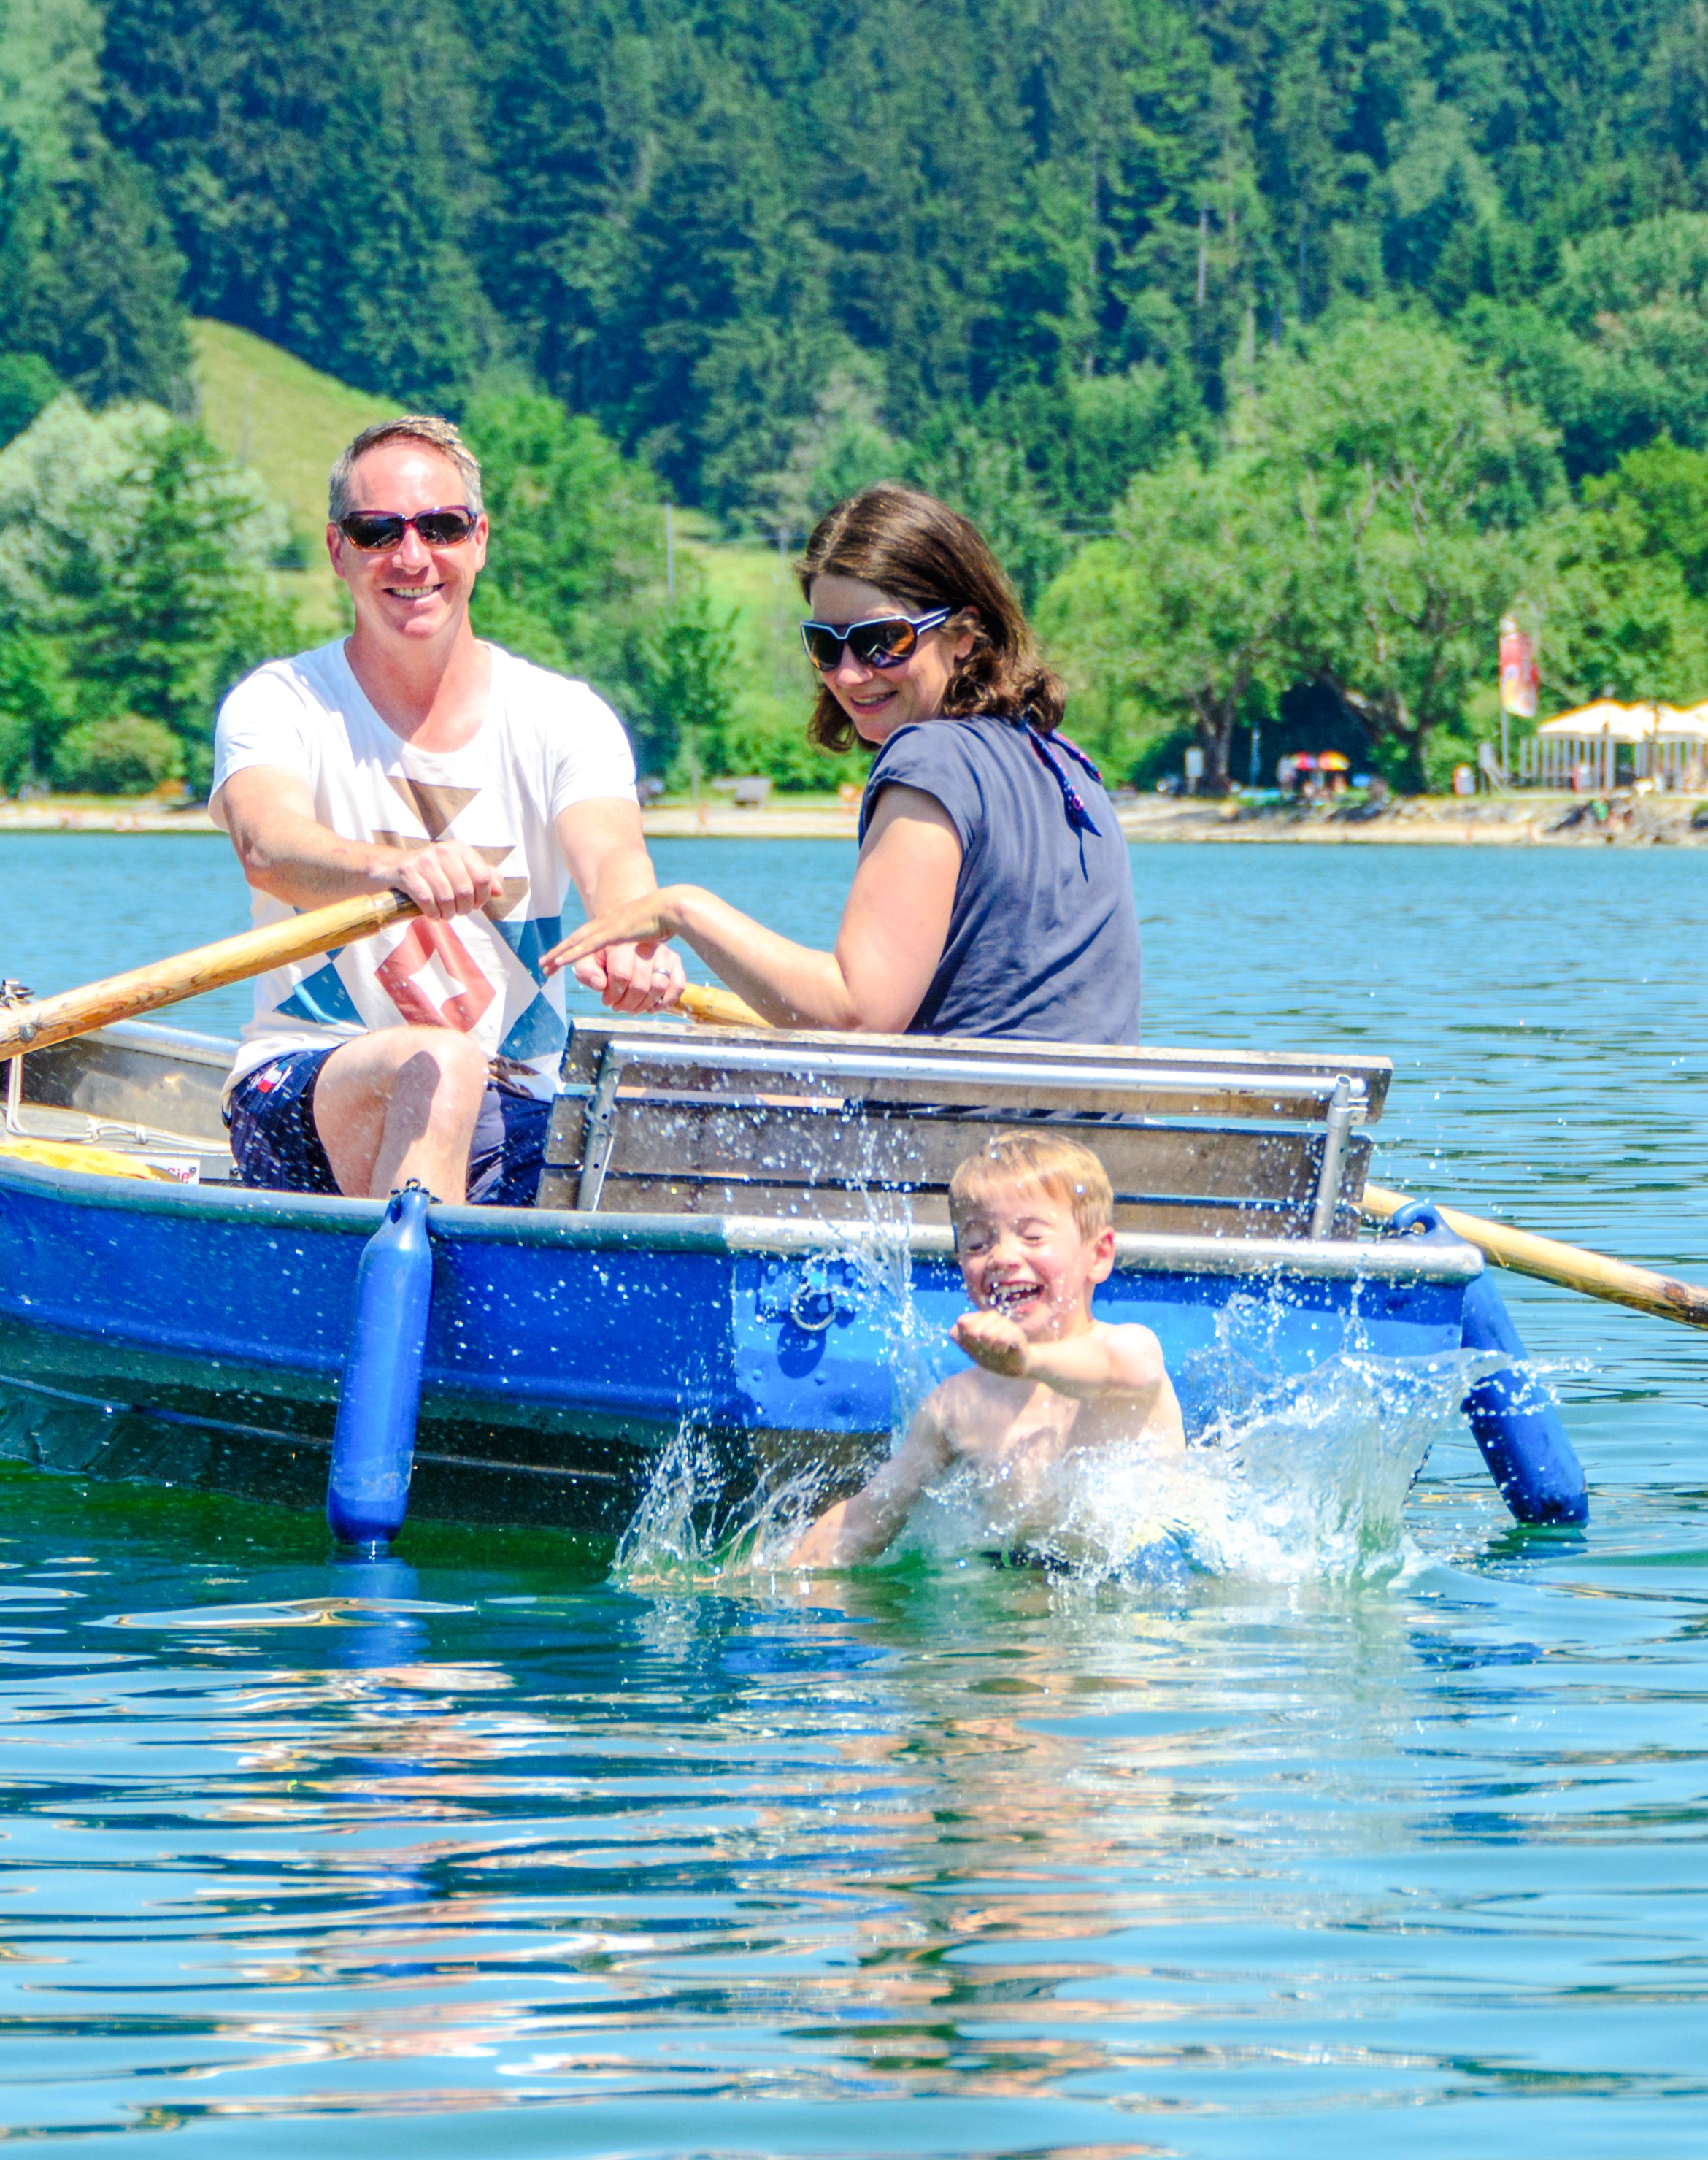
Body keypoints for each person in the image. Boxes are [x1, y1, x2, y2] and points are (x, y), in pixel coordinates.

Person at [209, 415, 683, 1207]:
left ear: (480, 540)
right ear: (337, 551)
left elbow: (613, 861)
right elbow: (267, 841)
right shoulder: (280, 702)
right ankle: (417, 1310)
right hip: (307, 1082)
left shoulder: (565, 716)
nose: (412, 557)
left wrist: (632, 936)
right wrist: (392, 868)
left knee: (642, 1122)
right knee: (441, 1063)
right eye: (376, 531)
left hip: (521, 1103)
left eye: (441, 527)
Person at [539, 483, 1139, 1040]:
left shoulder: (929, 760)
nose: (849, 673)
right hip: (1088, 1145)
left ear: (963, 634)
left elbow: (859, 1010)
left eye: (884, 640)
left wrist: (682, 910)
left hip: (974, 1145)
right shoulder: (1064, 762)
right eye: (826, 645)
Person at [788, 1134, 1181, 1567]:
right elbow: (868, 1518)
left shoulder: (1129, 1345)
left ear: (1099, 1255)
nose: (1001, 1256)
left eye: (1032, 1236)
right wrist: (773, 1579)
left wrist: (1030, 1362)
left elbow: (1111, 1370)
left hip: (1143, 1597)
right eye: (977, 1243)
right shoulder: (957, 1406)